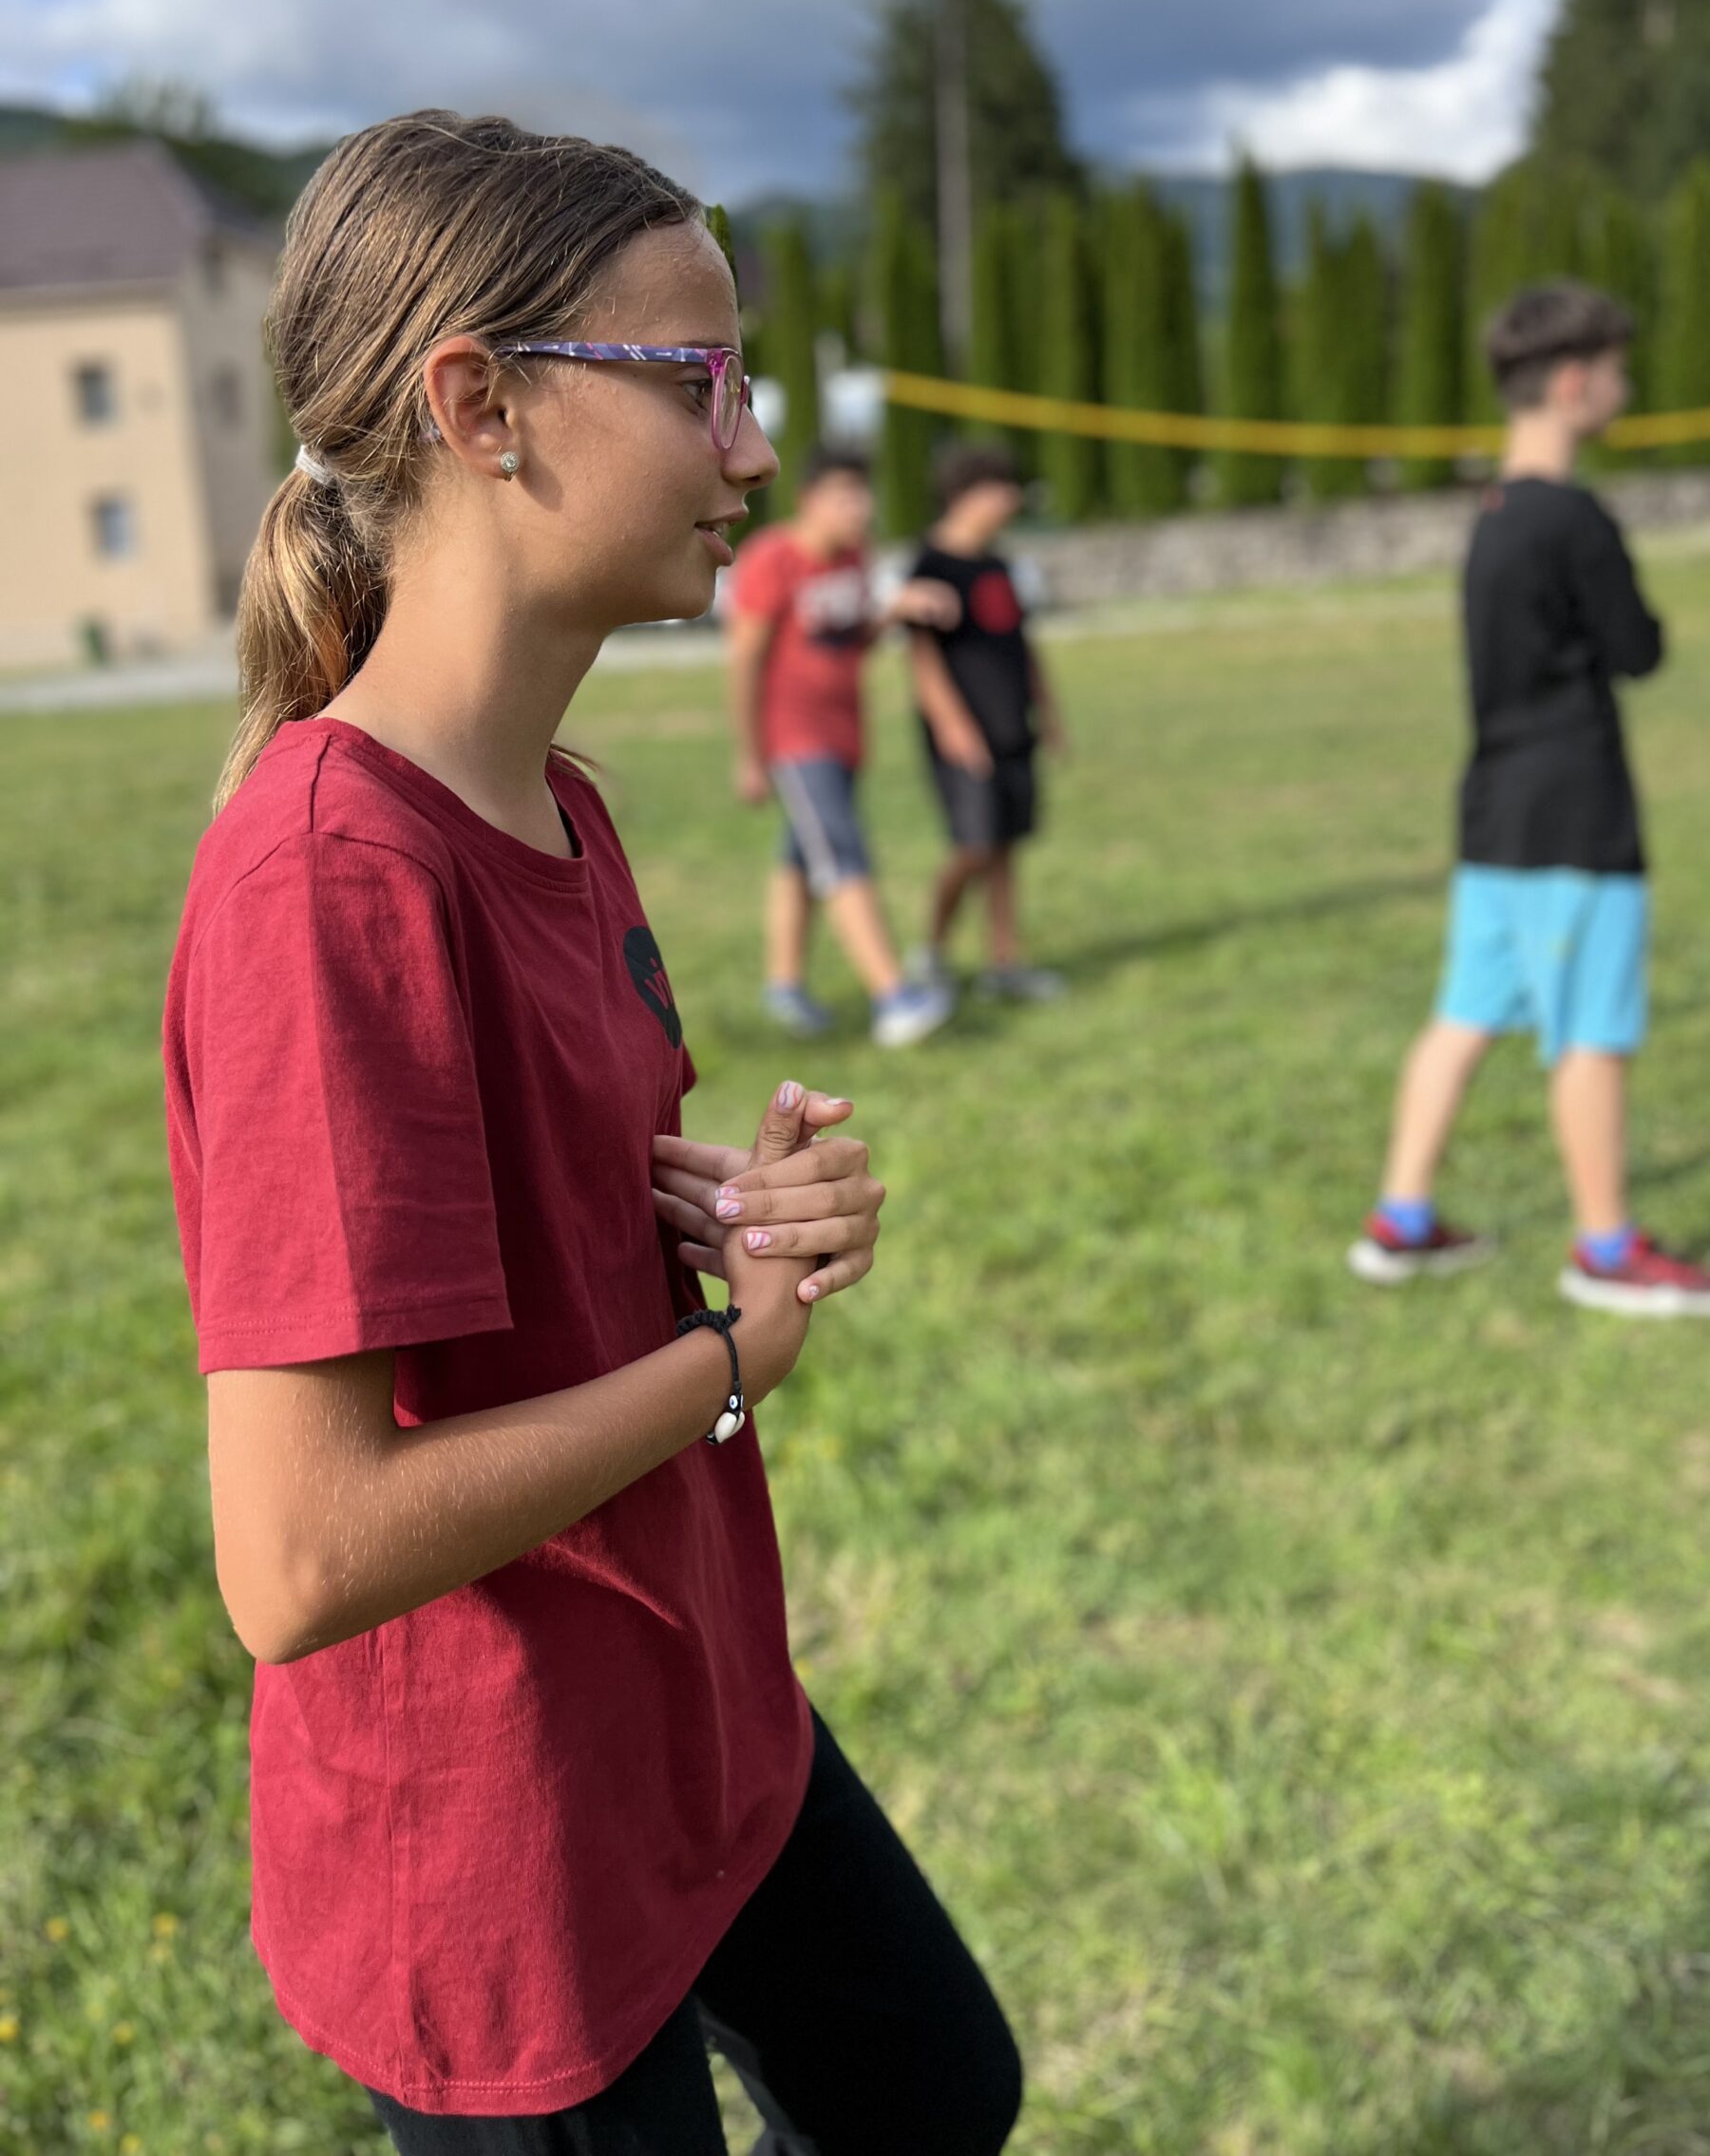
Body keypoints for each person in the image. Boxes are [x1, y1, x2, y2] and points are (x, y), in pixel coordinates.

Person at [161, 112, 1022, 2156]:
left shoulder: (563, 798)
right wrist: (728, 1361)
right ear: (480, 406)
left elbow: (547, 1214)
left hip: (693, 1708)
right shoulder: (328, 880)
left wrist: (728, 1213)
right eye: (699, 380)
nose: (752, 450)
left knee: (929, 2088)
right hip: (504, 1846)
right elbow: (300, 1556)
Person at [1348, 280, 1710, 1316]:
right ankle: (1606, 1250)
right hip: (1572, 817)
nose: (1627, 388)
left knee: (1463, 1015)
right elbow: (1638, 647)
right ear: (1574, 384)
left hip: (1492, 813)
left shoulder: (1490, 515)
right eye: (1617, 372)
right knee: (1591, 1031)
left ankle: (1400, 1218)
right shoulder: (1573, 517)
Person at [726, 446, 956, 1046]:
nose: (862, 508)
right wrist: (750, 755)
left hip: (844, 735)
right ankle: (894, 997)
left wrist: (896, 611)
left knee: (803, 856)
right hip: (795, 740)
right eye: (846, 497)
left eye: (864, 494)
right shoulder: (772, 559)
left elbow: (849, 641)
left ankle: (784, 988)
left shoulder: (855, 557)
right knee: (842, 855)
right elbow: (745, 663)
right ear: (809, 501)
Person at [905, 444, 1067, 1002]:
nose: (1012, 499)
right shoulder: (932, 565)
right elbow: (923, 661)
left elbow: (1022, 645)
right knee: (973, 846)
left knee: (1005, 848)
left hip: (1011, 728)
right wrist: (955, 729)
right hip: (964, 738)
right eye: (1001, 488)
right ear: (965, 496)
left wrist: (1048, 712)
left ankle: (1005, 963)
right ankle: (931, 951)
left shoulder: (998, 564)